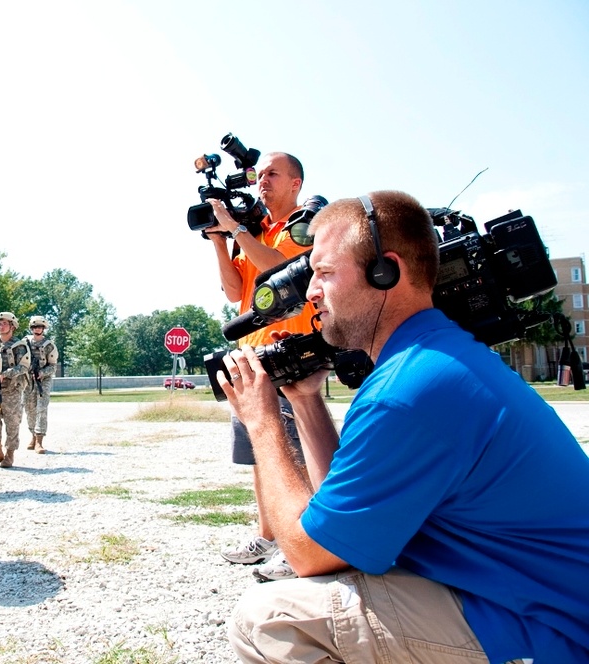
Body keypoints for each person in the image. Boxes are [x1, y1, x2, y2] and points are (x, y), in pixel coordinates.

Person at [221, 191, 589, 662]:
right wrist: (305, 401)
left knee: (271, 619)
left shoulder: (407, 390)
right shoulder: (433, 357)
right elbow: (342, 519)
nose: (312, 292)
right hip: (532, 597)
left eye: (325, 273)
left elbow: (309, 553)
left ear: (385, 272)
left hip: (548, 629)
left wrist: (264, 421)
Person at [206, 151, 317, 580]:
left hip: (287, 350)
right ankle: (268, 536)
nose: (262, 181)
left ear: (296, 183)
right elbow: (236, 291)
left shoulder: (300, 227)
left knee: (294, 452)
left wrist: (235, 228)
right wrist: (220, 239)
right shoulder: (256, 231)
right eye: (262, 175)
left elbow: (281, 267)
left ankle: (302, 541)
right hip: (249, 354)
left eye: (273, 174)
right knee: (261, 454)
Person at [0, 312, 31, 469]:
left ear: (12, 326)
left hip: (12, 389)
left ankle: (9, 453)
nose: (1, 326)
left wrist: (6, 374)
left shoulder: (20, 346)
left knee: (12, 422)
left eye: (5, 323)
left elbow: (24, 367)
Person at [23, 315, 58, 453]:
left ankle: (39, 441)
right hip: (28, 379)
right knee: (29, 408)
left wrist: (42, 373)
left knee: (41, 409)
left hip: (44, 379)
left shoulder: (49, 346)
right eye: (35, 327)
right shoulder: (25, 343)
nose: (37, 329)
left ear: (44, 328)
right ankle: (32, 435)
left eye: (40, 327)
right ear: (31, 328)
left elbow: (53, 366)